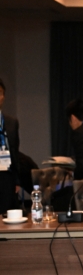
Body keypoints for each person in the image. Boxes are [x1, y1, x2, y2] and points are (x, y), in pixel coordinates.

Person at [0, 78, 20, 214]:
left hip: (6, 175)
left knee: (7, 214)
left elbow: (15, 152)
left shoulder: (11, 122)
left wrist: (17, 181)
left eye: (0, 93)